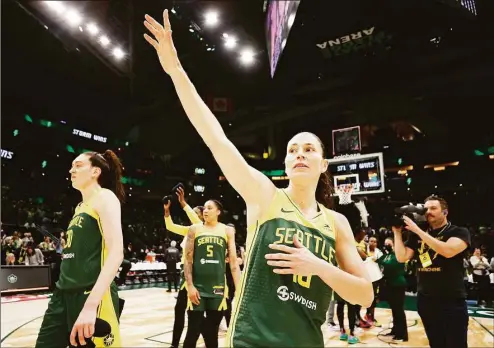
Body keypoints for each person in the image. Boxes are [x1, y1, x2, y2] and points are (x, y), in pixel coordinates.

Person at [144, 11, 373, 347]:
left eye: (309, 149)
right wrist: (176, 71)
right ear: (285, 161)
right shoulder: (265, 196)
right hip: (252, 340)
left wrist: (318, 266)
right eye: (293, 149)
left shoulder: (336, 222)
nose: (299, 153)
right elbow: (216, 138)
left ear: (323, 164)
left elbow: (365, 295)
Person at [35, 150, 125, 347]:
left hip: (90, 294)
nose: (71, 170)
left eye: (78, 165)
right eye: (72, 166)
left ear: (95, 172)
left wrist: (91, 305)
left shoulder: (105, 197)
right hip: (62, 295)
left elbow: (117, 253)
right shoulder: (79, 208)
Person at [394, 195, 470, 348]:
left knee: (456, 344)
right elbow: (402, 257)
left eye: (433, 208)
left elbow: (448, 251)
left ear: (445, 212)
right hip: (426, 300)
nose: (428, 212)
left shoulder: (458, 231)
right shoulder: (417, 235)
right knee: (436, 343)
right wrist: (397, 233)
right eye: (426, 208)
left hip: (451, 300)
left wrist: (417, 230)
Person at [183, 200, 240, 348]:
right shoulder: (194, 229)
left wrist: (240, 289)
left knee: (212, 332)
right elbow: (188, 260)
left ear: (218, 212)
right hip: (197, 288)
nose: (205, 211)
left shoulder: (227, 230)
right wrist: (189, 286)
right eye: (204, 208)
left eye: (209, 208)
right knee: (193, 331)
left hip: (218, 288)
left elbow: (233, 263)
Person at [163, 186, 204, 348]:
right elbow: (170, 226)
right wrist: (167, 212)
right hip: (183, 274)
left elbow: (197, 221)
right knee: (179, 311)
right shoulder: (189, 230)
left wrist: (183, 203)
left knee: (193, 314)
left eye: (196, 212)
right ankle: (174, 344)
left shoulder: (202, 229)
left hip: (196, 274)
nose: (191, 215)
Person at [377, 235, 408, 342]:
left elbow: (391, 265)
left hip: (398, 285)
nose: (387, 245)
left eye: (389, 244)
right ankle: (395, 330)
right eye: (385, 244)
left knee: (399, 310)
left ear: (394, 245)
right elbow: (380, 260)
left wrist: (379, 261)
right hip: (390, 285)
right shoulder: (388, 255)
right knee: (394, 310)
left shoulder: (398, 255)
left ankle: (403, 334)